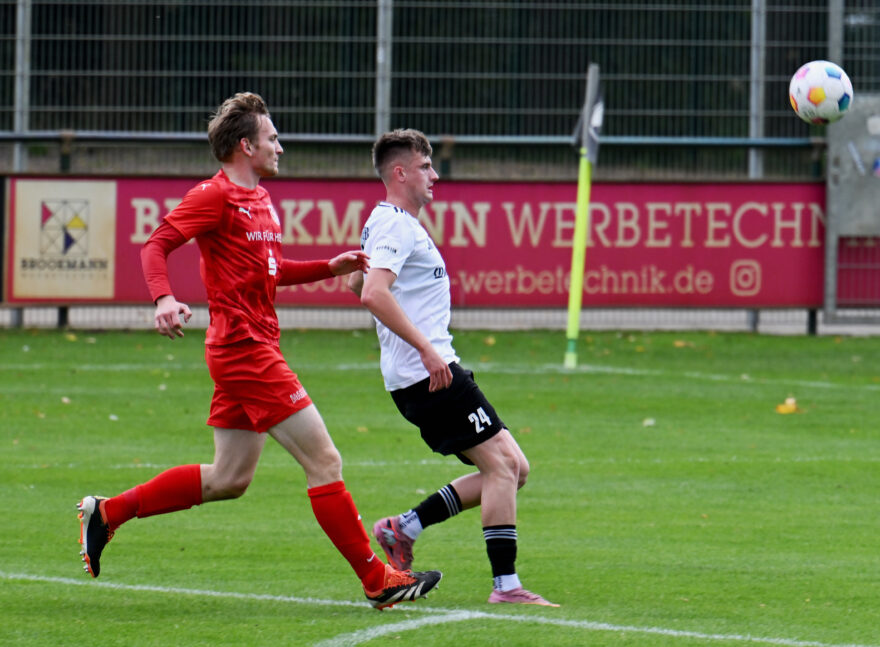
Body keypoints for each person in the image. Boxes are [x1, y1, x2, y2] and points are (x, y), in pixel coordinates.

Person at [76, 93, 441, 610]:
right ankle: (378, 579)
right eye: (272, 139)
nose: (281, 147)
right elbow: (155, 244)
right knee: (325, 460)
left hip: (250, 346)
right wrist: (163, 297)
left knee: (229, 478)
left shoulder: (262, 201)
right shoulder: (214, 195)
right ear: (246, 146)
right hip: (243, 350)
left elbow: (269, 271)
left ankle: (107, 512)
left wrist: (325, 268)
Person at [347, 128, 558, 607]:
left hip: (428, 370)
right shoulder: (396, 224)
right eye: (425, 166)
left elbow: (360, 283)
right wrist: (423, 347)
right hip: (430, 374)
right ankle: (506, 587)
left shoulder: (389, 221)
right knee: (503, 466)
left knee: (514, 469)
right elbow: (372, 292)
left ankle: (404, 527)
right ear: (400, 173)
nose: (434, 174)